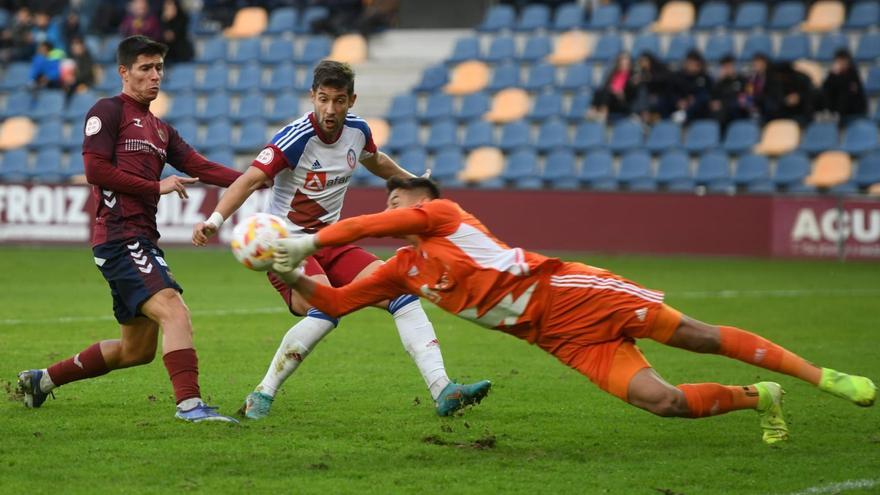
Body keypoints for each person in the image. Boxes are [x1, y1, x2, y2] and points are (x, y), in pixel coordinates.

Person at [269, 176, 877, 444]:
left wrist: (313, 239)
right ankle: (760, 397)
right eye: (393, 194)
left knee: (696, 335)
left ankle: (824, 378)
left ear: (423, 201)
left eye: (403, 193)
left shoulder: (443, 215)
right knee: (661, 402)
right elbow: (336, 302)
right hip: (560, 341)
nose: (395, 198)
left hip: (576, 292)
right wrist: (290, 268)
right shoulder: (400, 270)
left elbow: (379, 221)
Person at [191, 60, 491, 420]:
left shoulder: (358, 131)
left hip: (331, 242)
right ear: (312, 97)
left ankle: (443, 389)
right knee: (327, 307)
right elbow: (250, 180)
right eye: (323, 99)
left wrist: (415, 185)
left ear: (351, 100)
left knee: (402, 293)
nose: (330, 109)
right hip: (289, 246)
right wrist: (214, 219)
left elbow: (375, 160)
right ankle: (263, 393)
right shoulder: (295, 138)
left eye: (338, 100)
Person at [17, 35, 243, 423]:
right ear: (124, 72)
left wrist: (259, 177)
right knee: (174, 310)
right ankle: (190, 406)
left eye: (159, 68)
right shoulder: (107, 111)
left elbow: (202, 168)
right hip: (121, 236)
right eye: (145, 69)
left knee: (135, 351)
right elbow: (96, 170)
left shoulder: (161, 130)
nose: (155, 76)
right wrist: (156, 186)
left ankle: (42, 381)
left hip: (138, 237)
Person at [821, 49, 867, 125]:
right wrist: (833, 75)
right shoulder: (833, 73)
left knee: (844, 92)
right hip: (836, 105)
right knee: (826, 92)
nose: (840, 63)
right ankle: (828, 112)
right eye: (838, 60)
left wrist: (837, 76)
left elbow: (851, 88)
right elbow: (826, 87)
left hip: (853, 106)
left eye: (842, 60)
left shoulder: (853, 72)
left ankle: (838, 115)